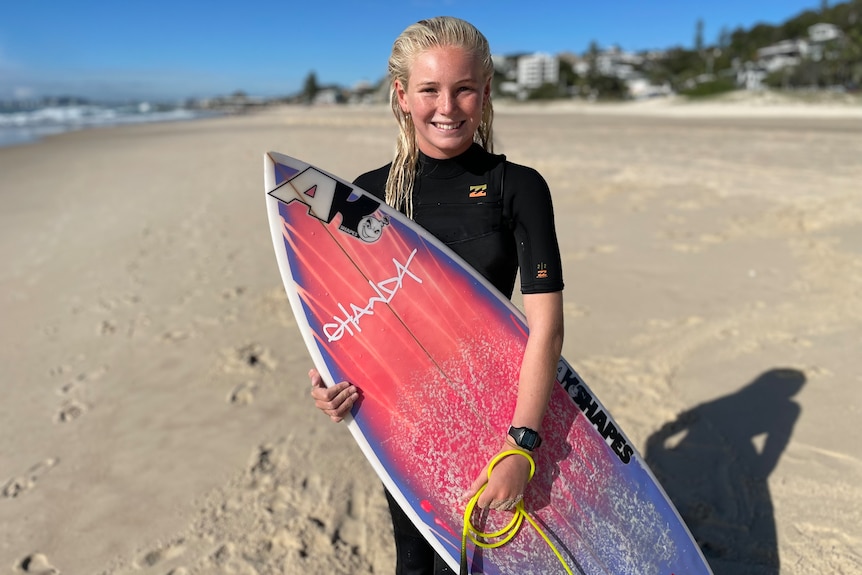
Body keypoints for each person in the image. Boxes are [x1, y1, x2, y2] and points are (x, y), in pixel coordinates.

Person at [308, 16, 565, 575]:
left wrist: (522, 444)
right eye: (429, 90)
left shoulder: (518, 187)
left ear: (486, 91)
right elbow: (351, 318)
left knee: (485, 561)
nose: (447, 106)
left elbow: (546, 327)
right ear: (402, 96)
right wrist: (331, 380)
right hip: (403, 419)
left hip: (497, 416)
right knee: (415, 560)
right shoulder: (366, 196)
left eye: (464, 88)